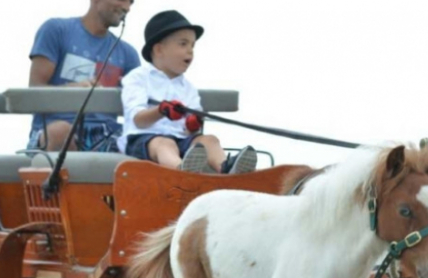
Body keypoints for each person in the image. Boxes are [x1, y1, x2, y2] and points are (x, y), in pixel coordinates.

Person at [120, 10, 257, 174]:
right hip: (143, 140)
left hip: (181, 140)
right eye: (183, 44)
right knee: (165, 144)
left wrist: (193, 123)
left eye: (192, 45)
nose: (190, 50)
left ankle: (228, 169)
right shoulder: (138, 78)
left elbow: (191, 130)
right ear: (158, 50)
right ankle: (182, 171)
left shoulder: (188, 88)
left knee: (210, 140)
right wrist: (161, 110)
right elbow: (138, 121)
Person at [27, 0, 140, 152]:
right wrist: (73, 91)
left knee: (147, 143)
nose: (127, 8)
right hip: (54, 132)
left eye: (131, 2)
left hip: (106, 135)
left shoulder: (128, 54)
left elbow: (137, 108)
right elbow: (33, 93)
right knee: (60, 132)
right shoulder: (56, 29)